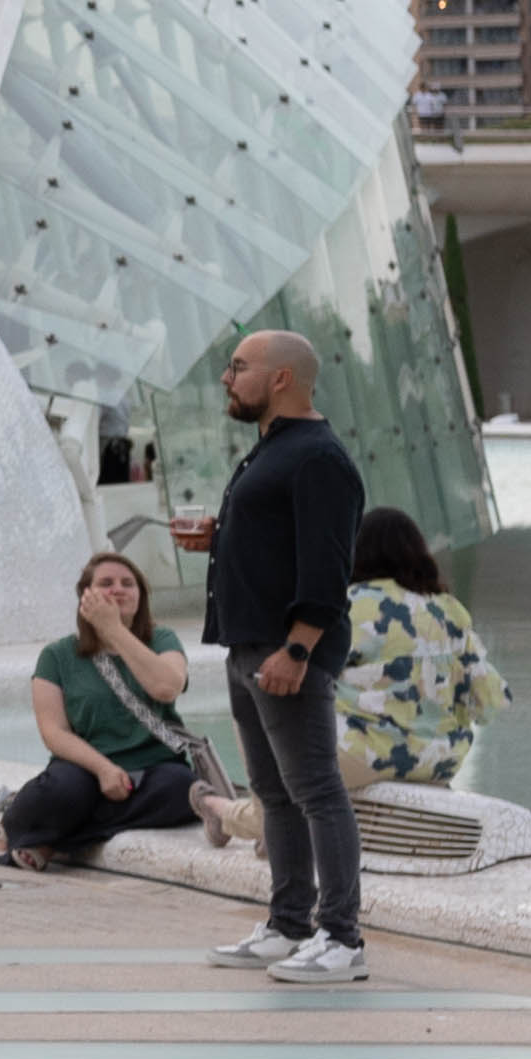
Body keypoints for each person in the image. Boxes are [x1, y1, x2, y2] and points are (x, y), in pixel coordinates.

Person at [178, 328, 368, 982]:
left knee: (317, 788)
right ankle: (289, 923)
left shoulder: (317, 457)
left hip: (287, 654)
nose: (227, 379)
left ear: (282, 377)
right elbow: (283, 542)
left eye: (238, 367)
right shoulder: (272, 451)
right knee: (274, 792)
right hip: (247, 647)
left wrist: (298, 649)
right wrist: (224, 536)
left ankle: (341, 937)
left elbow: (327, 567)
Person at [2, 550, 209, 867]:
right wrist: (103, 769)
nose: (118, 589)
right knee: (64, 792)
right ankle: (36, 822)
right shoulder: (57, 655)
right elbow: (54, 731)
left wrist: (114, 630)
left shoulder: (162, 639)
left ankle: (51, 840)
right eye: (106, 583)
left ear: (140, 596)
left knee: (181, 789)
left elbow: (166, 688)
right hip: (83, 767)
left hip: (154, 766)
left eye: (128, 583)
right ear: (85, 596)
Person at [337, 510, 504, 789]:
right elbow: (488, 704)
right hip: (439, 764)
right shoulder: (448, 611)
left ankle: (248, 815)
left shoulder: (348, 606)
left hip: (363, 761)